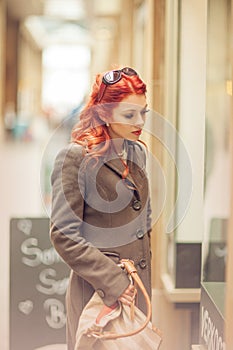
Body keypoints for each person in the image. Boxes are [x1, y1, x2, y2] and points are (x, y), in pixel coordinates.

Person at [50, 67, 152, 349]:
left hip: (137, 291)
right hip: (99, 294)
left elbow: (142, 219)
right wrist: (116, 283)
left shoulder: (136, 151)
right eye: (129, 114)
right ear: (105, 113)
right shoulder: (75, 157)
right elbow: (64, 235)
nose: (139, 121)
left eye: (144, 112)